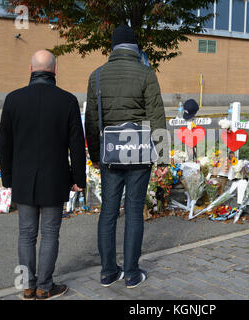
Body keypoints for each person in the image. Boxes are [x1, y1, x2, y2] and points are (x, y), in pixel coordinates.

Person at [0, 50, 86, 300]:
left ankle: (27, 286)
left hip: (23, 179)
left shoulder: (13, 99)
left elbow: (4, 143)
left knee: (26, 233)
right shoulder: (67, 100)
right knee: (50, 233)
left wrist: (8, 179)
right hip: (55, 178)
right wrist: (78, 179)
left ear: (30, 70)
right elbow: (76, 146)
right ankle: (45, 287)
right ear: (55, 71)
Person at [85, 25, 167, 289]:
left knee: (108, 212)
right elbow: (157, 117)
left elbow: (91, 121)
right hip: (139, 154)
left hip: (110, 155)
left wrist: (95, 156)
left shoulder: (96, 76)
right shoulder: (146, 74)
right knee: (133, 212)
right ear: (135, 48)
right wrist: (163, 158)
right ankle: (132, 273)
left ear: (113, 47)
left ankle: (108, 272)